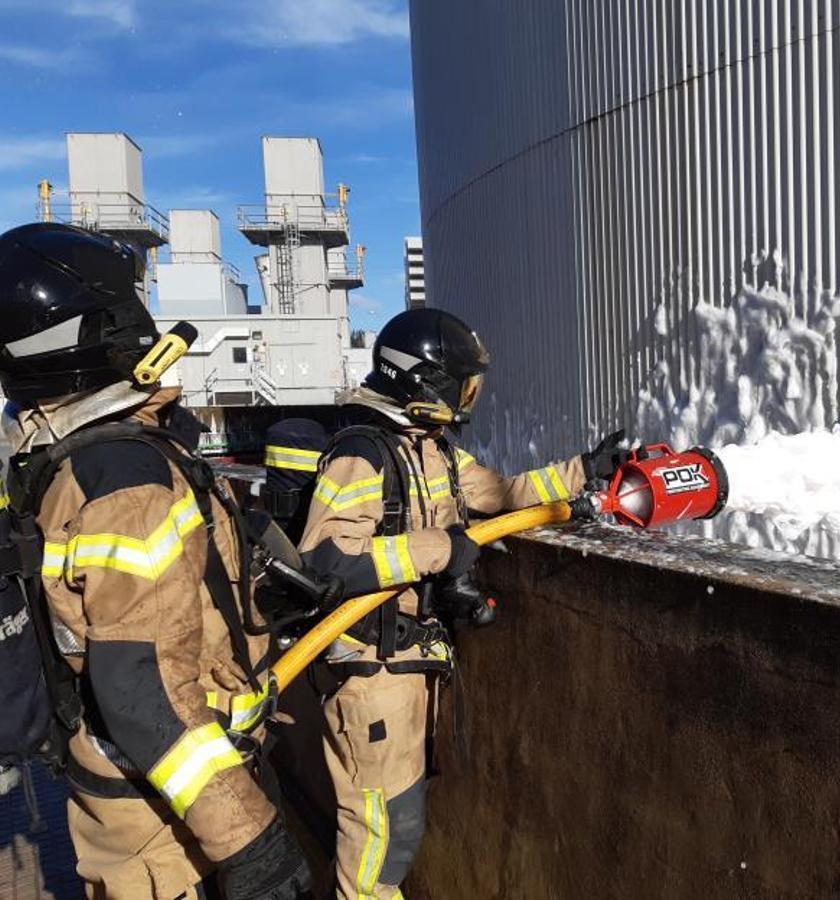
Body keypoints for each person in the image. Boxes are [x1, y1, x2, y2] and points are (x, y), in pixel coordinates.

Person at [0, 223, 311, 899]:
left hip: (132, 786)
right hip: (166, 820)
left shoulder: (75, 457)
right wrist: (252, 842)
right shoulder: (126, 475)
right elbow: (141, 690)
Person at [298, 308, 627, 898]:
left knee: (397, 828)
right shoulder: (363, 454)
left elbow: (506, 497)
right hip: (369, 673)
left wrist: (583, 471)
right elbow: (325, 559)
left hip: (408, 668)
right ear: (426, 382)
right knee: (378, 838)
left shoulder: (436, 452)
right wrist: (436, 551)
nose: (469, 396)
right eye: (462, 384)